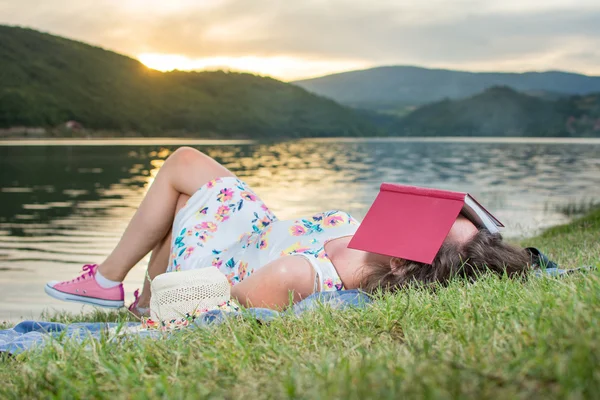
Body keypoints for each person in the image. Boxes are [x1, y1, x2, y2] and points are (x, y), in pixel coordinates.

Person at [45, 147, 531, 315]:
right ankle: (116, 286)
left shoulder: (300, 274)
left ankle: (114, 285)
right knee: (188, 169)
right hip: (259, 233)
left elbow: (220, 301)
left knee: (181, 188)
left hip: (218, 265)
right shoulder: (378, 249)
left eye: (429, 225)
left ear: (403, 262)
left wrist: (164, 306)